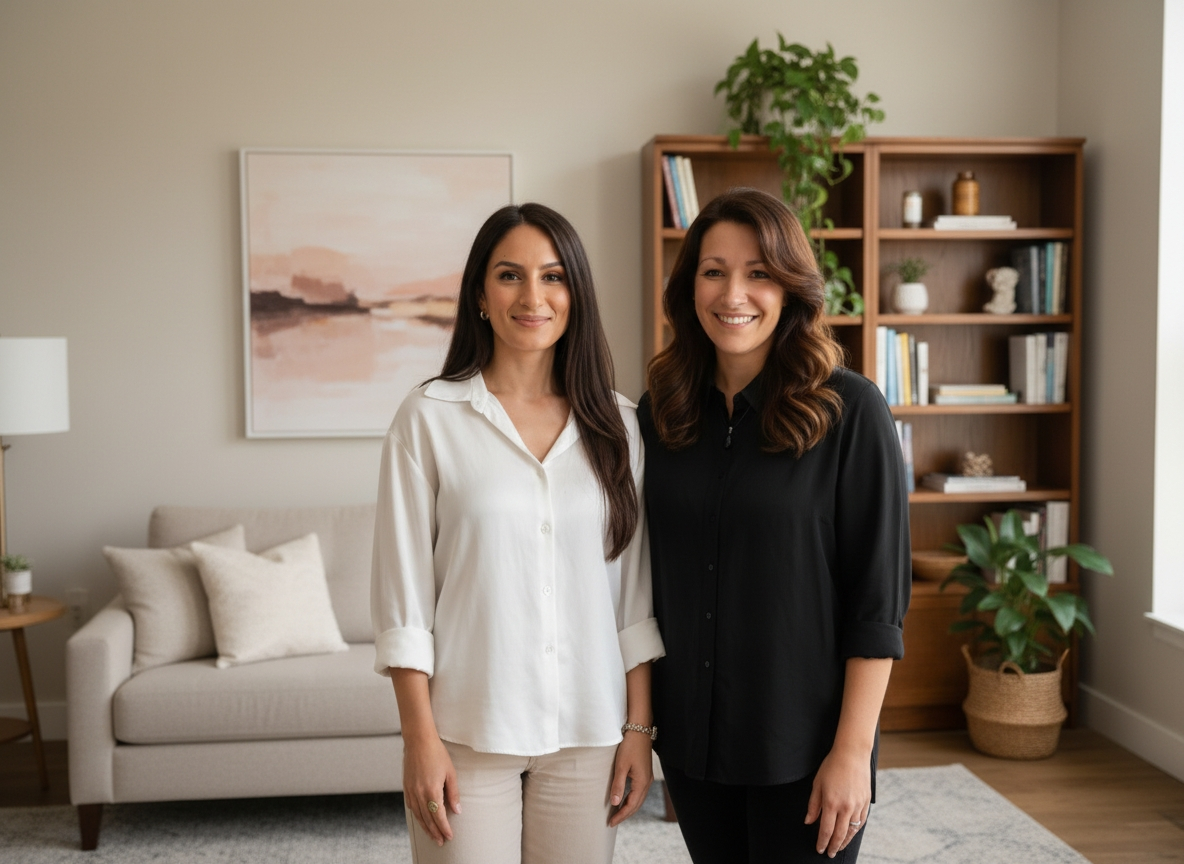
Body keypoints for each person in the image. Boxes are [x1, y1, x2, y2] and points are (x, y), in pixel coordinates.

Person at [371, 203, 664, 864]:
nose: (533, 296)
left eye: (553, 276)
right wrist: (419, 740)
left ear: (576, 294)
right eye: (510, 276)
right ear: (479, 293)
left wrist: (638, 730)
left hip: (591, 728)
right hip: (467, 730)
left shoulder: (619, 426)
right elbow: (403, 602)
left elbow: (634, 594)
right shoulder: (429, 418)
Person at [638, 188, 911, 863]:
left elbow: (878, 606)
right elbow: (640, 581)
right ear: (689, 287)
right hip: (695, 748)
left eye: (758, 272)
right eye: (713, 271)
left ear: (791, 286)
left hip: (809, 753)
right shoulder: (660, 415)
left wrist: (852, 753)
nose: (734, 293)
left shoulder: (852, 411)